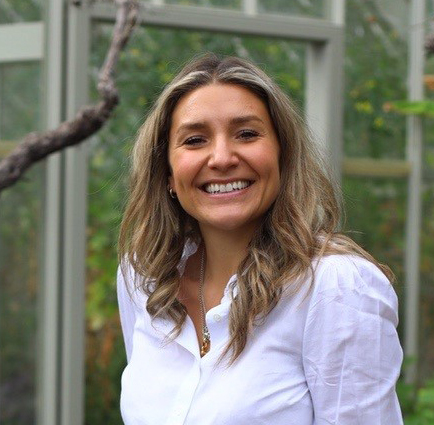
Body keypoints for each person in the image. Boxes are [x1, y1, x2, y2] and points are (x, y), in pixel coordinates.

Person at [116, 53, 403, 424]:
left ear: (282, 157)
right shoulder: (143, 277)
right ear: (168, 174)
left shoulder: (336, 286)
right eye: (195, 139)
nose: (221, 158)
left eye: (247, 134)